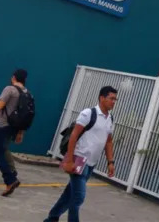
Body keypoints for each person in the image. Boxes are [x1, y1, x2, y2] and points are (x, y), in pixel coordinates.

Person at [43, 86, 117, 222]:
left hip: (91, 163)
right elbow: (74, 136)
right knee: (78, 197)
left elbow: (108, 142)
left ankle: (52, 218)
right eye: (111, 98)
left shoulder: (110, 119)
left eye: (115, 99)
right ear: (102, 98)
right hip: (79, 160)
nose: (114, 102)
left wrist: (110, 162)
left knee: (69, 194)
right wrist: (69, 160)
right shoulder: (88, 113)